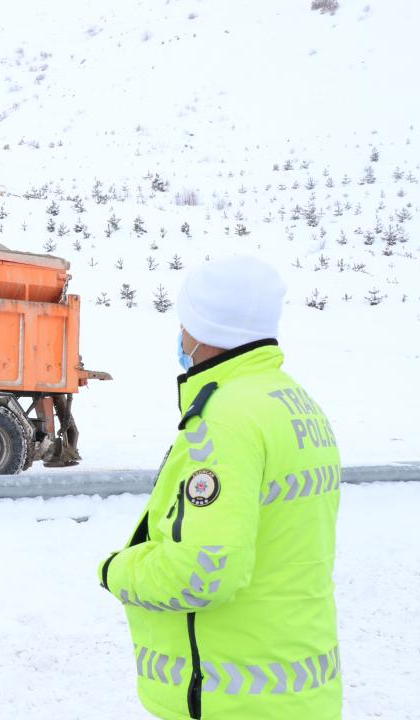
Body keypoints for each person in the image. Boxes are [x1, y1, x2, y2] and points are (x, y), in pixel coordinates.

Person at [98, 256, 341, 720]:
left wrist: (118, 571)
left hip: (232, 697)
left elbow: (203, 572)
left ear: (204, 331)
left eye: (185, 324)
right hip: (297, 690)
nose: (181, 337)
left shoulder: (225, 420)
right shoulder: (295, 403)